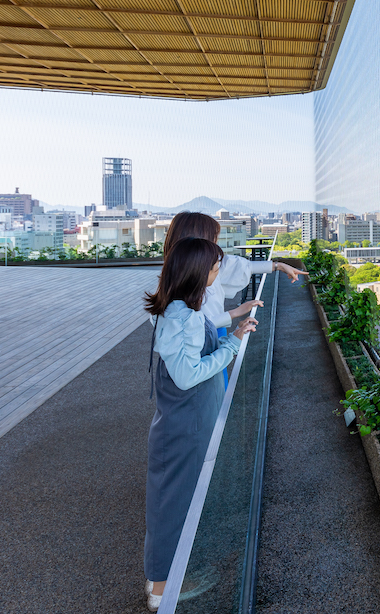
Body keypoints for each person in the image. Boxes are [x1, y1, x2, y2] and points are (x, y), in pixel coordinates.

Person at [143, 238, 257, 610]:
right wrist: (232, 344)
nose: (217, 272)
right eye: (213, 267)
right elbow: (188, 374)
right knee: (174, 501)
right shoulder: (184, 318)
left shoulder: (178, 309)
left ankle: (168, 578)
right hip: (185, 424)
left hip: (186, 420)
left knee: (178, 497)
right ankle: (161, 589)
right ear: (198, 272)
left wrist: (232, 329)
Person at [162, 212, 307, 338]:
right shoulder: (182, 289)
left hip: (214, 332)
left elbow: (239, 265)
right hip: (206, 338)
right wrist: (234, 314)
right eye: (213, 239)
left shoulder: (176, 276)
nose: (216, 244)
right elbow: (192, 327)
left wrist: (278, 266)